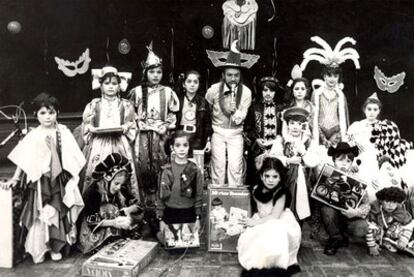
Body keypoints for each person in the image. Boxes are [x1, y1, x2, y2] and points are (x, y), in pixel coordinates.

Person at [2, 93, 86, 263]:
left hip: (58, 180)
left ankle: (56, 247)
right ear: (35, 115)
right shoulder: (33, 135)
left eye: (51, 112)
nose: (47, 117)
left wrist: (67, 174)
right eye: (42, 113)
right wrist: (15, 179)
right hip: (41, 182)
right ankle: (40, 248)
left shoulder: (63, 132)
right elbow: (23, 159)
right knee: (41, 214)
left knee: (57, 212)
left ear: (57, 113)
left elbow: (74, 156)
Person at [129, 42, 179, 207]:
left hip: (161, 134)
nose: (156, 75)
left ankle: (161, 200)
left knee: (160, 164)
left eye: (159, 72)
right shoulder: (137, 92)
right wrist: (138, 123)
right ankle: (143, 201)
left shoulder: (167, 92)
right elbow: (131, 112)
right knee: (142, 165)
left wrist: (165, 126)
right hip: (142, 134)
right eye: (152, 72)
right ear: (145, 73)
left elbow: (172, 114)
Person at [205, 40, 259, 187]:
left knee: (235, 166)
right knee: (218, 165)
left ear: (240, 75)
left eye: (236, 75)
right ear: (223, 75)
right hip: (218, 131)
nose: (233, 78)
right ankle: (217, 198)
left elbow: (241, 118)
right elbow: (208, 107)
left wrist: (235, 110)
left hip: (236, 133)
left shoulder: (246, 92)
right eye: (229, 75)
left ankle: (234, 197)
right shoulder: (214, 90)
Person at [80, 66, 138, 198]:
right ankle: (97, 203)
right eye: (106, 83)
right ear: (100, 85)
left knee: (122, 172)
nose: (110, 87)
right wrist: (91, 128)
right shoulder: (94, 104)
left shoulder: (125, 104)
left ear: (119, 85)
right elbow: (87, 124)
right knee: (98, 171)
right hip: (99, 144)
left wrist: (126, 127)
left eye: (114, 83)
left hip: (119, 143)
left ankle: (122, 203)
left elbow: (131, 123)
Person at [237, 157, 301, 276]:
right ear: (262, 176)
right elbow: (254, 206)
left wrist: (254, 223)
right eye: (267, 176)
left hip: (278, 220)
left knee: (273, 231)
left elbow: (274, 216)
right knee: (250, 237)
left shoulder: (281, 192)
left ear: (280, 177)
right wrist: (250, 220)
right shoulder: (256, 188)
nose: (270, 180)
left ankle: (273, 262)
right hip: (261, 217)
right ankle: (259, 260)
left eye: (275, 177)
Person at [78, 153, 145, 254]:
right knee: (109, 208)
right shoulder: (93, 192)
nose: (118, 187)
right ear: (107, 179)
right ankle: (105, 242)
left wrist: (128, 210)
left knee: (133, 215)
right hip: (93, 232)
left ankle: (117, 237)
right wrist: (114, 222)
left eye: (121, 184)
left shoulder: (121, 188)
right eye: (116, 183)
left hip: (116, 224)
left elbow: (139, 206)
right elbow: (91, 222)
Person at [270, 107, 321, 221]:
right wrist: (288, 160)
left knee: (302, 208)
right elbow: (273, 158)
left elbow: (315, 161)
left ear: (303, 126)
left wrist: (303, 152)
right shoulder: (282, 140)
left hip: (305, 181)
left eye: (298, 124)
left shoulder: (308, 142)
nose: (294, 127)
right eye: (292, 123)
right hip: (284, 179)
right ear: (287, 125)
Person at [321, 142, 370, 255]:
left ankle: (344, 234)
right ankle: (336, 238)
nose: (344, 163)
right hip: (331, 215)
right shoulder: (327, 174)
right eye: (341, 160)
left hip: (349, 214)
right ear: (334, 160)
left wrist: (356, 212)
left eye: (348, 161)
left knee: (362, 227)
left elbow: (367, 204)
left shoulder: (357, 179)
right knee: (326, 210)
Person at [156, 131, 203, 245]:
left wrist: (197, 218)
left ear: (189, 147)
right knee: (171, 246)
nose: (182, 149)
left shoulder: (195, 170)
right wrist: (161, 219)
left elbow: (199, 195)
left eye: (185, 145)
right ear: (172, 147)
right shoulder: (165, 170)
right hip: (170, 214)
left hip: (189, 213)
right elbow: (160, 197)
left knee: (188, 245)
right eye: (178, 145)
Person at [244, 76, 284, 185]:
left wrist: (279, 139)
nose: (268, 93)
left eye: (271, 91)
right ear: (261, 91)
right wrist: (256, 139)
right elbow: (248, 128)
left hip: (276, 150)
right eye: (265, 90)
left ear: (275, 93)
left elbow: (283, 129)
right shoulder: (254, 107)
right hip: (258, 150)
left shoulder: (281, 109)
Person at [347, 93, 382, 201]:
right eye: (369, 109)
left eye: (375, 109)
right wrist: (351, 161)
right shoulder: (356, 126)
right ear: (364, 110)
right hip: (359, 162)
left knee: (374, 190)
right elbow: (348, 146)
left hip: (374, 163)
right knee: (357, 191)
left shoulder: (383, 127)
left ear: (379, 111)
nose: (372, 112)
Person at [366, 186, 413, 256]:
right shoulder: (375, 209)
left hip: (394, 234)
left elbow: (408, 225)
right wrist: (372, 246)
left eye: (394, 202)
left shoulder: (401, 211)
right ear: (381, 201)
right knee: (371, 228)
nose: (391, 205)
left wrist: (404, 240)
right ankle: (381, 242)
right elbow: (368, 227)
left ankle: (405, 245)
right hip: (379, 234)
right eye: (387, 201)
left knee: (407, 226)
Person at [176, 70, 212, 151]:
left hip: (197, 136)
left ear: (199, 85)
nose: (192, 84)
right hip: (180, 134)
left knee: (195, 161)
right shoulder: (177, 100)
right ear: (183, 84)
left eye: (195, 82)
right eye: (189, 81)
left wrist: (208, 141)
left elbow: (207, 124)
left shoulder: (203, 102)